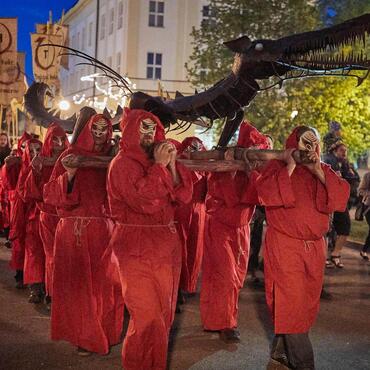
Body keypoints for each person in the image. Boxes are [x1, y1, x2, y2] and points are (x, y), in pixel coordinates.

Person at [256, 126, 350, 370]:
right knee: (293, 304)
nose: (309, 148)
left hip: (314, 250)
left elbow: (340, 199)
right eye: (304, 142)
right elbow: (265, 194)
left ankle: (280, 353)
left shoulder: (323, 169)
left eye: (313, 142)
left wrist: (317, 169)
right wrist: (289, 166)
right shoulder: (276, 168)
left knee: (302, 305)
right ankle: (304, 364)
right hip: (286, 248)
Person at [107, 108, 193, 370]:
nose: (149, 134)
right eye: (143, 128)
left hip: (165, 247)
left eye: (152, 129)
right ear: (131, 130)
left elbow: (184, 197)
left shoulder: (161, 162)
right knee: (146, 317)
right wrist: (159, 167)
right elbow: (144, 202)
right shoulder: (121, 164)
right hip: (135, 246)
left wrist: (171, 167)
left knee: (164, 316)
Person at [43, 114, 124, 355]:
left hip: (105, 230)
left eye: (104, 130)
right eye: (95, 130)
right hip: (74, 231)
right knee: (80, 287)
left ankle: (105, 331)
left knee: (107, 285)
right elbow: (50, 193)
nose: (99, 134)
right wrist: (68, 175)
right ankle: (84, 336)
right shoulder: (70, 155)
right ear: (89, 130)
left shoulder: (116, 157)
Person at [200, 121, 269, 343]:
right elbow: (227, 197)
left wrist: (253, 175)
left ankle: (213, 320)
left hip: (241, 230)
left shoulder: (254, 173)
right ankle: (227, 324)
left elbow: (257, 197)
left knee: (235, 277)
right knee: (225, 276)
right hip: (219, 227)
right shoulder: (222, 168)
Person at [23, 123, 69, 307]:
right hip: (48, 216)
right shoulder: (40, 161)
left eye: (61, 140)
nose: (58, 144)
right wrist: (36, 171)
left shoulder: (72, 158)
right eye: (54, 140)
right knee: (52, 257)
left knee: (66, 258)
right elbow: (29, 192)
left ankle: (63, 295)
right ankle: (51, 294)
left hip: (67, 218)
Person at [176, 137, 207, 296]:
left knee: (194, 249)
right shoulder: (177, 160)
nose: (192, 151)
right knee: (180, 249)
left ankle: (187, 284)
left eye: (196, 148)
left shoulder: (206, 163)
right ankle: (178, 285)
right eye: (189, 148)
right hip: (181, 209)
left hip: (198, 210)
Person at [17, 138, 45, 303]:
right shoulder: (24, 170)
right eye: (32, 150)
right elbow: (24, 194)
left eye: (38, 149)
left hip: (48, 216)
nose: (35, 153)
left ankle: (47, 289)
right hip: (32, 218)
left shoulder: (49, 165)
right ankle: (35, 289)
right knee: (34, 254)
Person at [324, 142, 357, 268]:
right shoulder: (327, 160)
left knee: (345, 228)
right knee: (326, 230)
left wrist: (347, 174)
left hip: (340, 201)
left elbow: (354, 178)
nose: (345, 153)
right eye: (342, 150)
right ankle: (325, 257)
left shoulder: (345, 163)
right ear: (335, 150)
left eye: (346, 151)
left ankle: (335, 254)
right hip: (328, 200)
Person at [358, 171, 370, 260]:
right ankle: (364, 250)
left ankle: (364, 250)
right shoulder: (367, 175)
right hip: (368, 207)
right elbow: (360, 190)